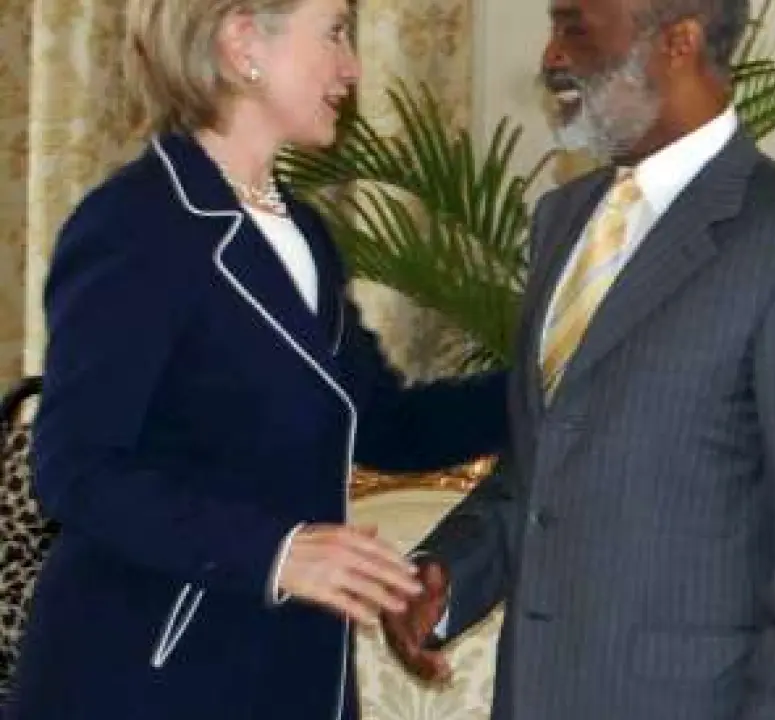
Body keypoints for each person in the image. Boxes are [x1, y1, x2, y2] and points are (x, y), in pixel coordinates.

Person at [382, 0, 775, 717]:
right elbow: (543, 468)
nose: (551, 56)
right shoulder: (562, 221)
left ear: (678, 42)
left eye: (575, 28)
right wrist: (449, 574)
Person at [6, 1, 508, 718]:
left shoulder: (303, 231)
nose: (351, 67)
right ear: (243, 41)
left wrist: (552, 378)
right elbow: (74, 468)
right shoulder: (136, 223)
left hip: (287, 674)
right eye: (334, 32)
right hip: (146, 679)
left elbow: (384, 423)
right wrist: (277, 552)